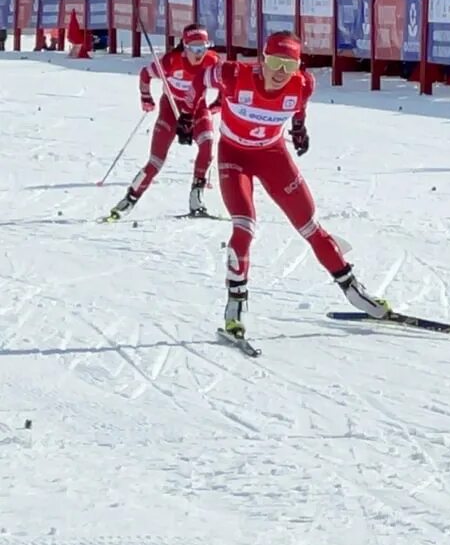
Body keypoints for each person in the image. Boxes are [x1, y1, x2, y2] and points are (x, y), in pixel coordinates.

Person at [212, 30, 386, 344]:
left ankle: (355, 292)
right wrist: (188, 111)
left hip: (273, 155)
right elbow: (199, 74)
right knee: (244, 226)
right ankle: (235, 307)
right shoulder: (233, 74)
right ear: (262, 59)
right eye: (276, 62)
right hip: (234, 155)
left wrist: (299, 126)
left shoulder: (303, 84)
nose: (281, 72)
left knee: (310, 225)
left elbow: (299, 106)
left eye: (289, 66)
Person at [107, 24, 221, 221]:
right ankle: (130, 198)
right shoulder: (170, 61)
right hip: (170, 110)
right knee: (156, 161)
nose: (199, 53)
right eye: (194, 48)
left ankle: (197, 196)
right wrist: (146, 97)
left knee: (208, 146)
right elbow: (145, 74)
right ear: (185, 46)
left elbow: (225, 83)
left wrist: (218, 103)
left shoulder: (212, 61)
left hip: (197, 110)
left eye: (203, 47)